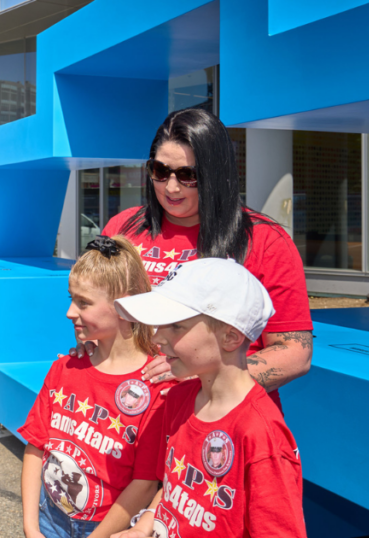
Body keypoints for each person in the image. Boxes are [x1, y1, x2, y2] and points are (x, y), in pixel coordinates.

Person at [97, 108, 312, 409]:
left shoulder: (265, 241)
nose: (171, 187)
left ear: (217, 174)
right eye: (160, 171)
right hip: (124, 413)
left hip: (215, 424)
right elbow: (96, 308)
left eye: (188, 176)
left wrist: (204, 374)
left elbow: (295, 353)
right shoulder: (122, 227)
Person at [112, 258, 306, 538]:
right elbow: (174, 486)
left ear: (230, 337)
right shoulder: (179, 399)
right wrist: (143, 527)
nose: (157, 338)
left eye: (175, 326)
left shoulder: (261, 436)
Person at [19, 235, 169, 538]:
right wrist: (31, 526)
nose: (70, 312)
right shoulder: (65, 368)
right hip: (49, 518)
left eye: (83, 303)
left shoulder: (157, 388)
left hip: (109, 529)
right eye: (71, 298)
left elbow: (144, 484)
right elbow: (36, 447)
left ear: (125, 305)